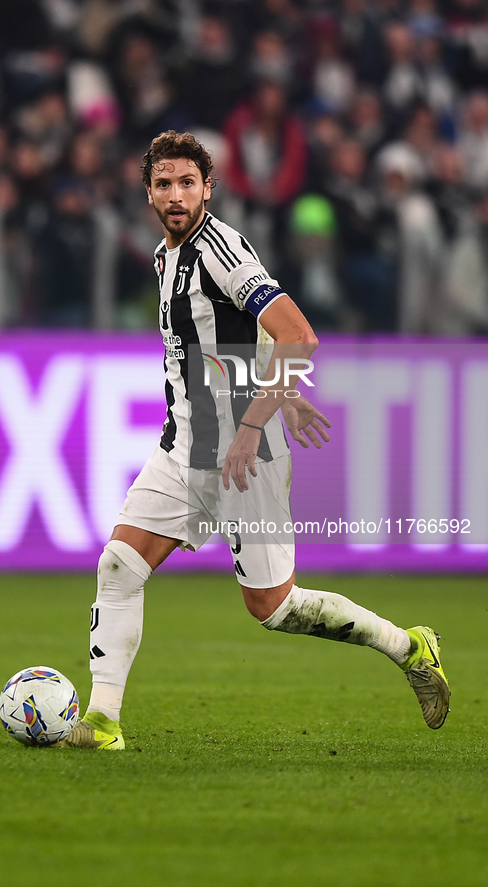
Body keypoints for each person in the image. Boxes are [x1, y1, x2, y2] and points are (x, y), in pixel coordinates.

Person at [55, 131, 450, 749]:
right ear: (149, 194)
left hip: (247, 452)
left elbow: (300, 334)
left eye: (189, 183)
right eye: (164, 184)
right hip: (185, 443)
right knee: (119, 565)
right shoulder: (165, 258)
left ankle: (409, 647)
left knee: (274, 607)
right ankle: (102, 723)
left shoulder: (220, 252)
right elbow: (241, 342)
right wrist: (283, 392)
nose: (177, 195)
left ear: (208, 189)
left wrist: (251, 423)